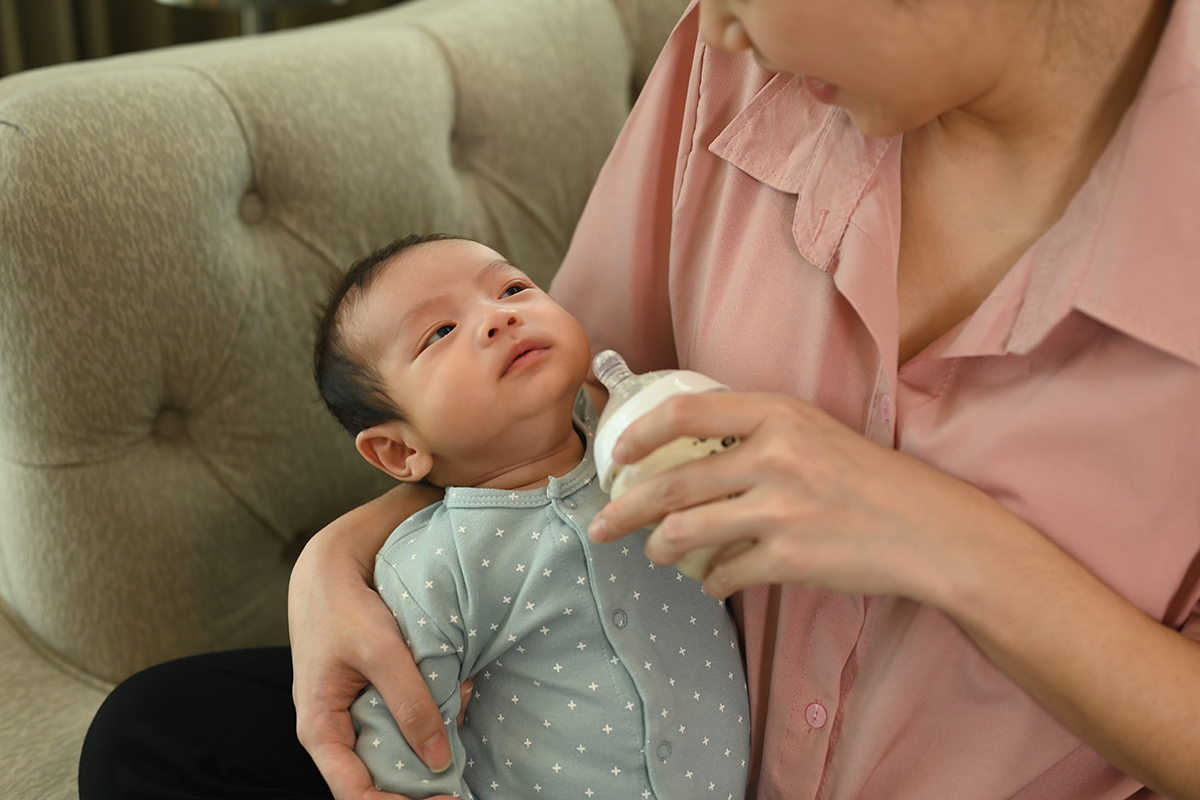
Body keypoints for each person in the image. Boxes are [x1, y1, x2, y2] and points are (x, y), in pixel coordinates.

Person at [81, 0, 1200, 799]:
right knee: (160, 734)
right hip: (589, 722)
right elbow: (561, 413)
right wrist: (346, 553)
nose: (710, 24)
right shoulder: (741, 61)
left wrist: (946, 539)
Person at [311, 232, 749, 799]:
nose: (498, 318)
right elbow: (404, 751)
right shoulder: (435, 566)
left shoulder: (647, 449)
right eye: (439, 332)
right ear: (399, 451)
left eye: (513, 289)